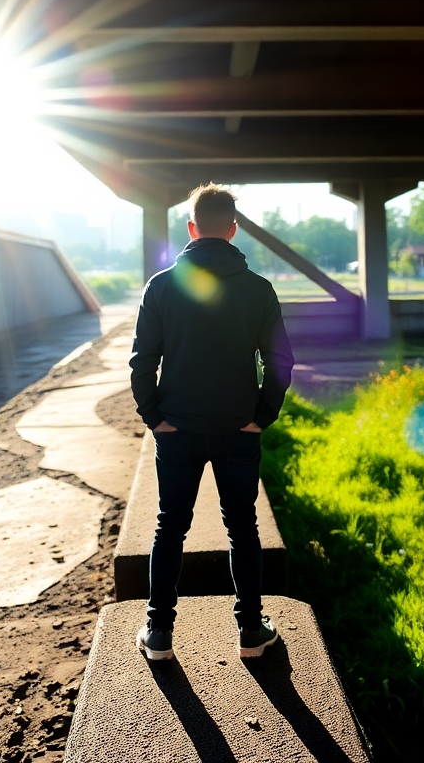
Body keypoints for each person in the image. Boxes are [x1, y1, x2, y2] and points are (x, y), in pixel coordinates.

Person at [129, 183, 294, 661]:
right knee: (242, 527)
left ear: (192, 227)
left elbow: (142, 362)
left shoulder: (160, 286)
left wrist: (154, 417)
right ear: (234, 229)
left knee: (170, 528)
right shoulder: (259, 289)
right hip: (237, 428)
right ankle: (250, 631)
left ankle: (158, 634)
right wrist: (262, 416)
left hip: (176, 429)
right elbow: (281, 361)